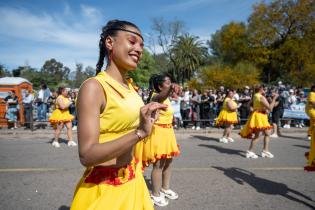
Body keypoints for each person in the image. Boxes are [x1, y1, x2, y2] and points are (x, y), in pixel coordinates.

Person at [70, 20, 167, 210]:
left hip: (133, 180)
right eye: (132, 42)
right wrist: (139, 133)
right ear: (109, 43)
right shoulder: (94, 87)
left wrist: (147, 116)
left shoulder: (130, 87)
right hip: (106, 190)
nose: (138, 49)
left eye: (141, 45)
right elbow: (87, 155)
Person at [142, 74, 180, 207]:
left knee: (168, 162)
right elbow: (161, 97)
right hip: (159, 133)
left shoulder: (167, 98)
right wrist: (170, 89)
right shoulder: (155, 97)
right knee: (158, 165)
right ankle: (155, 194)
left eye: (170, 83)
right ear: (160, 86)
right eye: (167, 83)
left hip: (168, 132)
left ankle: (165, 188)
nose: (170, 85)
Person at [240, 85, 278, 159]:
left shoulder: (255, 95)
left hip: (260, 115)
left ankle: (265, 151)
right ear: (260, 89)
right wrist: (274, 99)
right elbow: (270, 108)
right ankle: (250, 151)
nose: (265, 90)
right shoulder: (261, 96)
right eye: (264, 89)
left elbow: (249, 104)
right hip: (260, 117)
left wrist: (253, 109)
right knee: (258, 135)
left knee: (267, 133)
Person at [305, 85, 315, 171]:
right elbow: (312, 103)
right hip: (312, 111)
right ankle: (309, 134)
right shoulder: (312, 93)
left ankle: (310, 134)